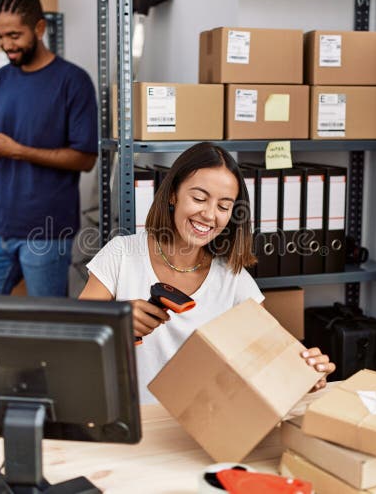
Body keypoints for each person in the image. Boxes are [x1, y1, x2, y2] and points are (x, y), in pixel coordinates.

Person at [79, 142, 335, 403]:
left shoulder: (233, 280)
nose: (209, 215)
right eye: (199, 198)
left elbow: (270, 355)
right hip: (127, 419)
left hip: (195, 424)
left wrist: (307, 372)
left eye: (223, 207)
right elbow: (72, 330)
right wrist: (113, 321)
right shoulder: (122, 253)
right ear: (173, 195)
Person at [0, 0, 98, 297]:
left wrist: (18, 151)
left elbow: (85, 158)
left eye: (14, 35)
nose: (6, 45)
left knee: (48, 326)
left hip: (46, 230)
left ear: (39, 28)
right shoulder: (0, 81)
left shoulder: (73, 82)